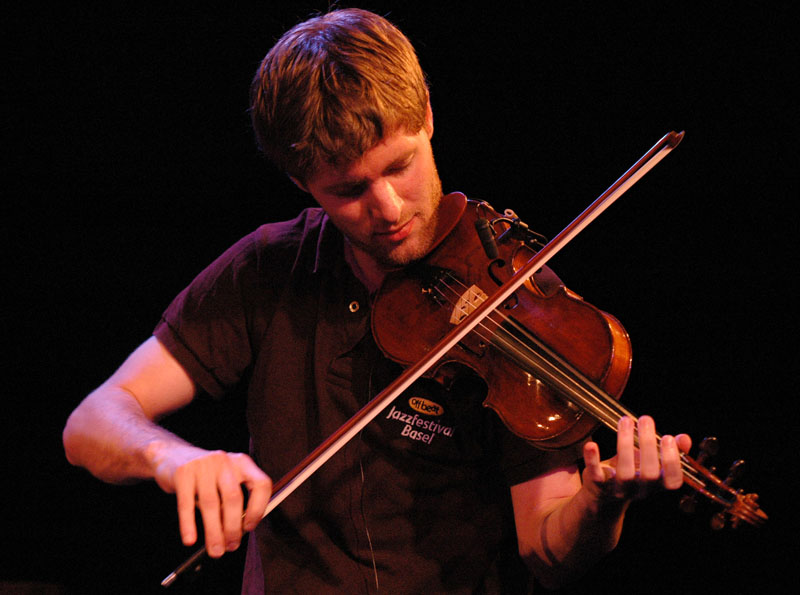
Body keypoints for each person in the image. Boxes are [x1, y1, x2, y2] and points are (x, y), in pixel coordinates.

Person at [63, 8, 691, 593]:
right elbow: (90, 423)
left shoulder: (523, 301)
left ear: (428, 116)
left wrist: (600, 503)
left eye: (400, 166)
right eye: (348, 190)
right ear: (301, 182)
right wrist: (174, 460)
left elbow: (549, 551)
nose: (387, 210)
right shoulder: (269, 267)